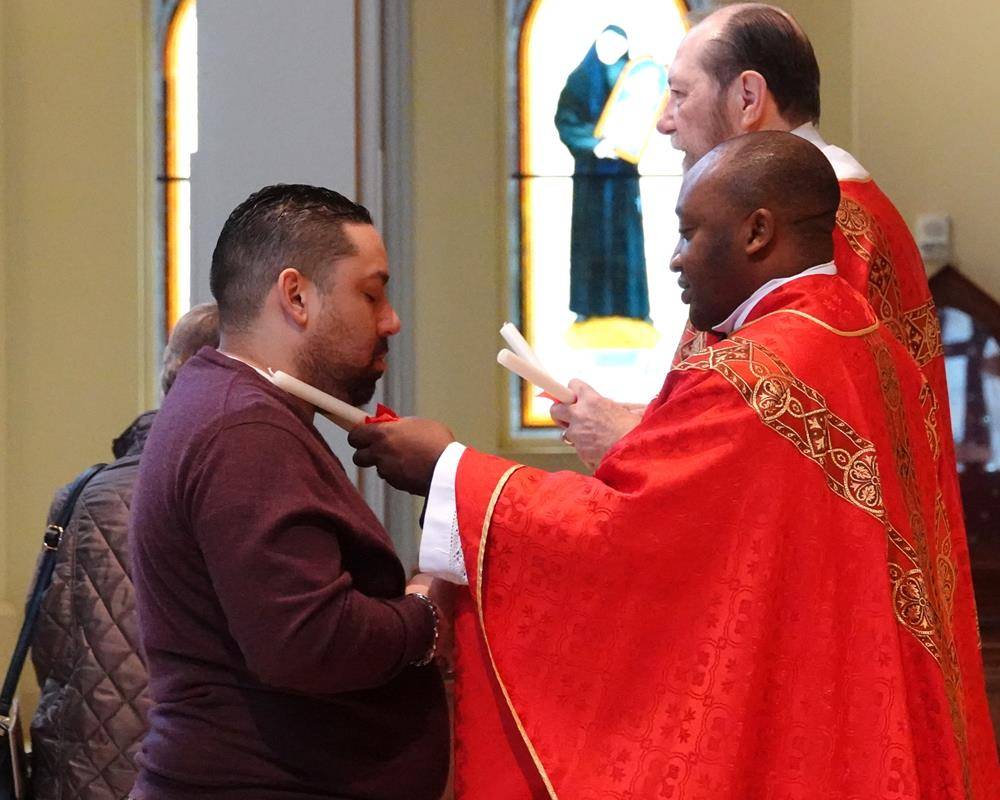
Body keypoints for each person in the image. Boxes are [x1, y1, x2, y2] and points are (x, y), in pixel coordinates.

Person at [350, 133, 999, 798]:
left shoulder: (758, 371)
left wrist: (450, 471)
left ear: (757, 232)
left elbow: (628, 536)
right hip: (859, 703)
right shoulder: (863, 338)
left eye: (690, 232)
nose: (674, 258)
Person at [128, 185, 449, 800]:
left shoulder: (233, 403)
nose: (391, 320)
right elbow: (307, 642)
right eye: (371, 293)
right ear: (296, 296)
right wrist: (426, 613)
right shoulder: (243, 427)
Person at [567, 3, 952, 470]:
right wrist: (653, 421)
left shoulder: (825, 225)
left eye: (680, 95)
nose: (664, 122)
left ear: (747, 97)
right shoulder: (807, 211)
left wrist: (627, 442)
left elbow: (796, 452)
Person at [30, 303, 220, 800]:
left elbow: (49, 646)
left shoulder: (84, 494)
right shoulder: (247, 487)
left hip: (84, 773)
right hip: (197, 773)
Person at [555, 24, 649, 322]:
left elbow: (644, 112)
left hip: (623, 178)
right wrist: (595, 145)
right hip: (591, 179)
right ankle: (589, 309)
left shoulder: (634, 79)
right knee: (591, 242)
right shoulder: (580, 80)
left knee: (626, 239)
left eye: (617, 45)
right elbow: (567, 121)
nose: (612, 50)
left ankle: (630, 308)